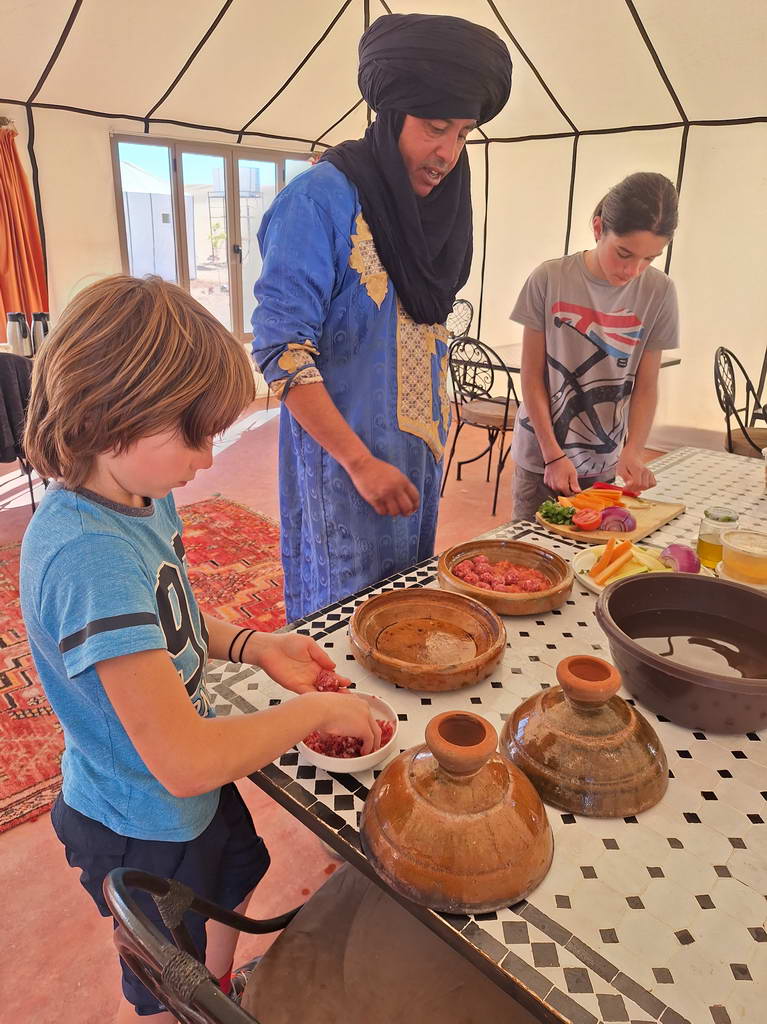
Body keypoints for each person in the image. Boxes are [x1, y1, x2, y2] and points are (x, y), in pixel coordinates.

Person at [19, 275, 380, 1022]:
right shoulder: (86, 556)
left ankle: (215, 995)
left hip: (184, 804)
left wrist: (251, 645)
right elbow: (182, 762)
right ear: (111, 415)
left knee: (237, 878)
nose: (211, 457)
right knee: (163, 978)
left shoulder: (139, 492)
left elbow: (169, 611)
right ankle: (196, 1005)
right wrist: (308, 710)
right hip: (139, 825)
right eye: (195, 434)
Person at [251, 13, 512, 621]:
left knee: (405, 609)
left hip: (414, 454)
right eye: (434, 128)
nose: (447, 154)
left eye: (464, 134)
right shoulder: (318, 201)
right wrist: (359, 461)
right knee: (343, 615)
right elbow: (280, 349)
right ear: (392, 114)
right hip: (344, 461)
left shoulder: (437, 209)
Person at [509, 171, 680, 522]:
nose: (634, 270)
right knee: (528, 559)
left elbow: (646, 385)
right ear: (599, 228)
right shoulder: (549, 278)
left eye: (650, 258)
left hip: (604, 458)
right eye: (624, 253)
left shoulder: (659, 292)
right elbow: (531, 377)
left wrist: (633, 451)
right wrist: (553, 455)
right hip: (541, 456)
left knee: (588, 559)